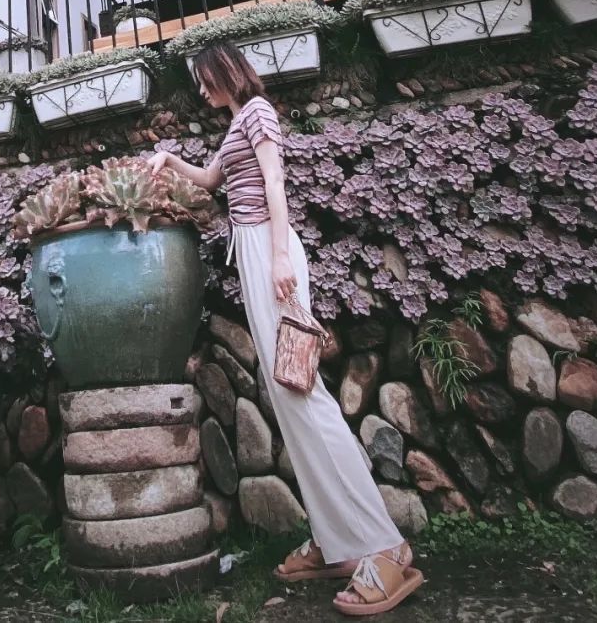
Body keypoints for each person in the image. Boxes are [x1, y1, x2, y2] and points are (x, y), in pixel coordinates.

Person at [148, 42, 423, 616]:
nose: (201, 90)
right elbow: (209, 181)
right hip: (251, 251)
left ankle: (386, 546)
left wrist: (278, 257)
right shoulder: (235, 126)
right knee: (287, 395)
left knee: (303, 394)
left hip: (270, 252)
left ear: (227, 72)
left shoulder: (258, 111)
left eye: (205, 79)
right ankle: (336, 541)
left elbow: (274, 184)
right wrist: (168, 160)